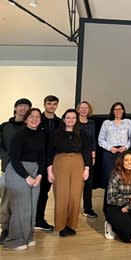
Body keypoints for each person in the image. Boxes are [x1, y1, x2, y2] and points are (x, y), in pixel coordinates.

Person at [2, 108, 45, 250]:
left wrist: (39, 175)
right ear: (26, 119)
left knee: (32, 207)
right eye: (31, 117)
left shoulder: (41, 135)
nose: (34, 119)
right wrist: (27, 177)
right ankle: (14, 241)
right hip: (17, 171)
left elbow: (42, 158)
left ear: (40, 119)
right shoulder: (19, 135)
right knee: (21, 208)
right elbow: (14, 159)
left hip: (35, 171)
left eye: (37, 117)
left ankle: (28, 236)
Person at [47, 109, 90, 237]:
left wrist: (87, 168)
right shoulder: (56, 134)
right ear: (64, 119)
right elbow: (49, 152)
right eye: (68, 117)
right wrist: (49, 171)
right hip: (60, 163)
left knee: (75, 196)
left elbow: (86, 152)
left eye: (73, 118)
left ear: (76, 120)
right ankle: (61, 226)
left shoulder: (82, 134)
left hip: (78, 163)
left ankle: (71, 225)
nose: (71, 120)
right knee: (61, 196)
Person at [0, 98, 32, 244]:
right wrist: (7, 159)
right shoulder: (4, 127)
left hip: (27, 171)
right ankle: (5, 229)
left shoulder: (31, 127)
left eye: (27, 106)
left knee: (23, 203)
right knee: (6, 202)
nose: (24, 108)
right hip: (9, 168)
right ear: (15, 108)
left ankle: (21, 231)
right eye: (21, 105)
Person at [98, 102, 131, 211]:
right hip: (109, 153)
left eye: (120, 109)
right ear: (113, 111)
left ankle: (123, 206)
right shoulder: (106, 123)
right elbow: (101, 139)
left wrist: (125, 147)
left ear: (123, 111)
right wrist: (110, 148)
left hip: (123, 153)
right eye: (115, 109)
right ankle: (108, 208)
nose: (118, 111)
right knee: (110, 181)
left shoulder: (128, 122)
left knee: (124, 180)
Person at [36, 95, 61, 231]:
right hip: (35, 160)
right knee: (31, 192)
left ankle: (39, 219)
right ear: (44, 104)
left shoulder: (60, 122)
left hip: (52, 163)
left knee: (44, 192)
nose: (52, 106)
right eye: (49, 103)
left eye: (54, 104)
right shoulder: (37, 119)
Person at [77, 101, 98, 218]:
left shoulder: (91, 123)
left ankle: (88, 208)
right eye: (82, 108)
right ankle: (73, 207)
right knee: (76, 183)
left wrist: (93, 156)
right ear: (78, 109)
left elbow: (92, 140)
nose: (84, 110)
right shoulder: (74, 122)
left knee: (88, 184)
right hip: (76, 156)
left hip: (88, 156)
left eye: (86, 108)